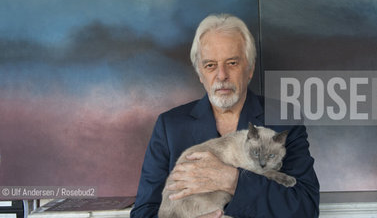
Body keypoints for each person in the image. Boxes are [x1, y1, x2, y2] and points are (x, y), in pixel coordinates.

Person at [130, 14, 320, 218]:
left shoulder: (284, 118)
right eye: (210, 65)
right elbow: (143, 212)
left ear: (250, 68)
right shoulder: (170, 126)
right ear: (200, 74)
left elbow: (305, 208)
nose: (221, 75)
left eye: (232, 63)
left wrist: (233, 181)